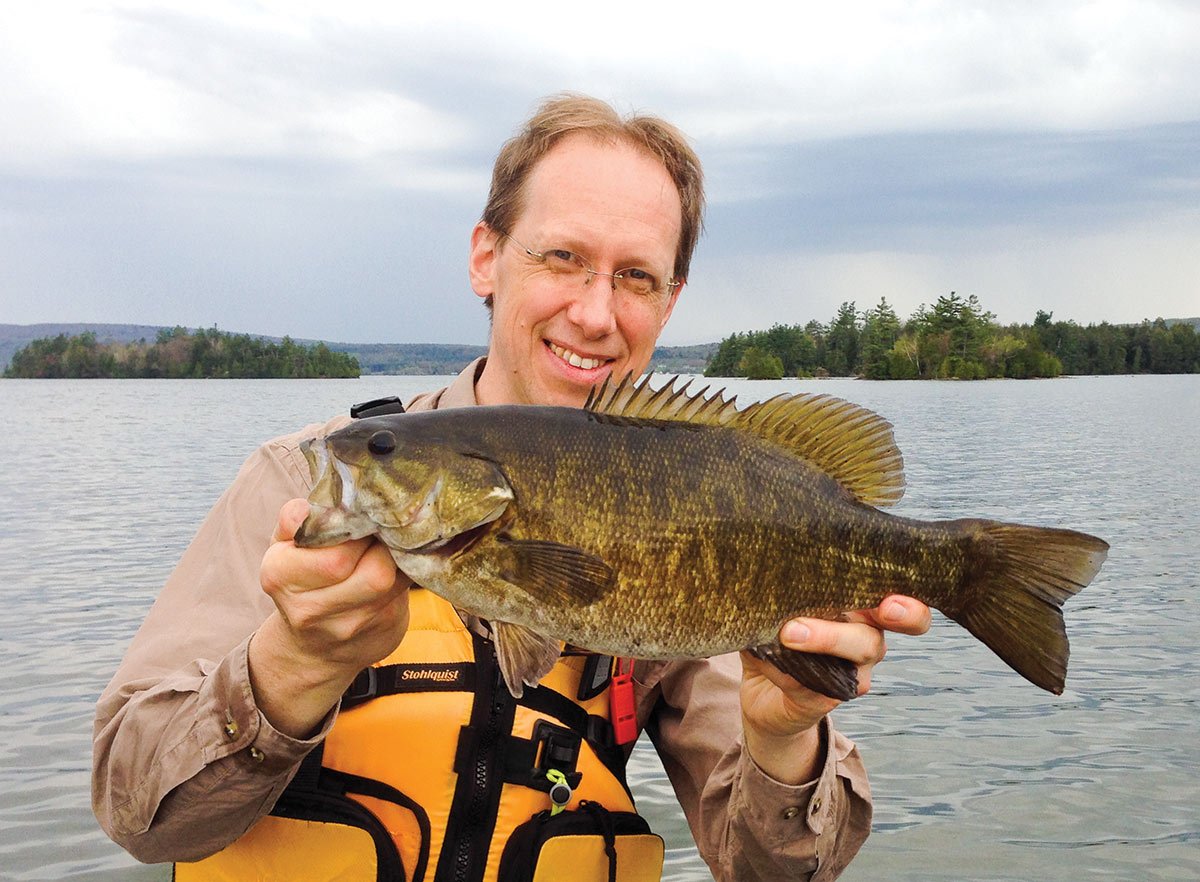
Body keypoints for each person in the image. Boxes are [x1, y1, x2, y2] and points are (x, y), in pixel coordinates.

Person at [93, 94, 932, 882]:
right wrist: (290, 666)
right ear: (486, 257)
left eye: (636, 277)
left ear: (671, 303)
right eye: (562, 257)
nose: (596, 314)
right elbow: (137, 814)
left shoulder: (694, 499)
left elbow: (777, 871)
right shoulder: (296, 486)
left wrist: (784, 738)